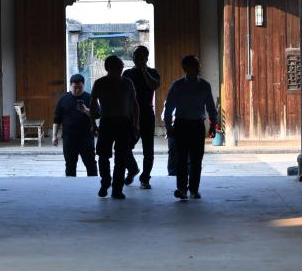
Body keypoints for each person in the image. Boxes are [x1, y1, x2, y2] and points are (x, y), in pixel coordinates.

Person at [163, 54, 217, 200]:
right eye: (194, 65)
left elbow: (211, 107)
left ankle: (193, 189)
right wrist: (168, 126)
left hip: (197, 124)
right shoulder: (177, 85)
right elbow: (169, 107)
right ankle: (182, 189)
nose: (198, 67)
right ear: (186, 67)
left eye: (198, 65)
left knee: (196, 159)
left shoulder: (204, 85)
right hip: (181, 124)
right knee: (181, 159)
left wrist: (213, 124)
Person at [90, 55, 140, 199]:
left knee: (121, 157)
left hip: (124, 122)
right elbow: (92, 105)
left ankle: (117, 189)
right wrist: (93, 124)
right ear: (108, 68)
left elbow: (135, 105)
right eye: (118, 66)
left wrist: (136, 124)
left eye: (121, 66)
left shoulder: (127, 83)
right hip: (106, 122)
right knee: (103, 156)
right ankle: (105, 182)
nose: (120, 68)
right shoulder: (100, 83)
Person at [121, 45, 160, 188]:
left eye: (140, 57)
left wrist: (144, 72)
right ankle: (132, 169)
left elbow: (154, 86)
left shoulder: (153, 72)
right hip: (130, 114)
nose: (137, 59)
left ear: (146, 58)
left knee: (148, 149)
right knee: (124, 146)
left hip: (147, 112)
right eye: (135, 56)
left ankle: (145, 178)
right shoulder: (127, 73)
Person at [52, 74, 98, 177]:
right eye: (74, 87)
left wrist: (86, 110)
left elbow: (97, 114)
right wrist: (54, 136)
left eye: (80, 87)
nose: (77, 90)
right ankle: (70, 185)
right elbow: (57, 119)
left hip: (86, 138)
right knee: (70, 165)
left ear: (83, 85)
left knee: (91, 164)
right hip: (69, 138)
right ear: (70, 86)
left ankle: (93, 184)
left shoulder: (90, 98)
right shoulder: (64, 99)